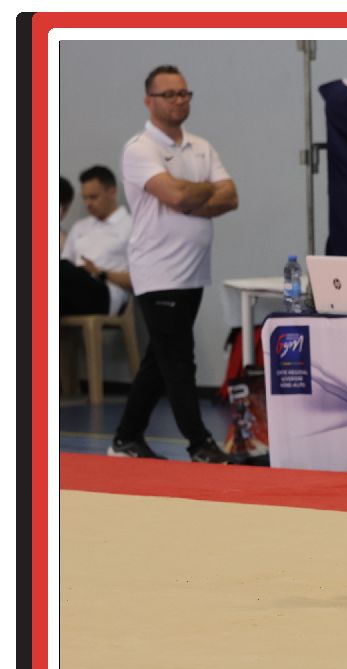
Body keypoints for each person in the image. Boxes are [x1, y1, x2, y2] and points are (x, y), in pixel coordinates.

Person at [109, 65, 238, 462]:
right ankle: (199, 444)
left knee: (159, 359)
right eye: (169, 94)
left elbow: (230, 197)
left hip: (192, 272)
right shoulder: (140, 149)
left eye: (184, 93)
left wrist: (191, 194)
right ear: (149, 101)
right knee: (179, 357)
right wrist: (203, 192)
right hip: (158, 272)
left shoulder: (201, 146)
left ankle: (126, 438)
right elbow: (176, 197)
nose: (178, 100)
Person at [60, 166, 134, 317]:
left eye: (93, 197)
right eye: (84, 198)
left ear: (112, 192)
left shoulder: (131, 225)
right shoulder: (80, 227)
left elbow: (141, 278)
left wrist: (100, 273)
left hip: (106, 292)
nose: (88, 204)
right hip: (72, 288)